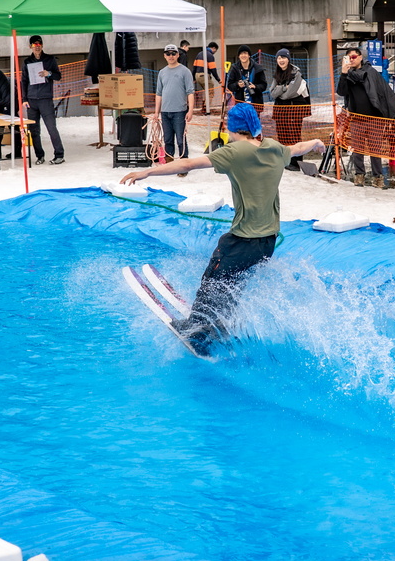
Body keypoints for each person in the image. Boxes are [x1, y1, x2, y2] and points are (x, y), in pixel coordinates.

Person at [120, 103, 326, 355]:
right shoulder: (274, 148)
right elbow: (297, 149)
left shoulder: (234, 152)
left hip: (243, 238)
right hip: (267, 242)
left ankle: (196, 329)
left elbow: (188, 164)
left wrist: (149, 171)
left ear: (232, 127)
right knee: (233, 283)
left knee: (214, 278)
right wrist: (316, 141)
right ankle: (221, 323)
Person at [336, 46, 395, 188]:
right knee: (357, 150)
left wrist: (384, 112)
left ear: (360, 57)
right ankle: (359, 176)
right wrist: (344, 73)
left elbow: (381, 92)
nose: (351, 60)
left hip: (374, 119)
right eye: (348, 58)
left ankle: (378, 178)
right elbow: (341, 91)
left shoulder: (370, 72)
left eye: (353, 57)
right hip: (357, 119)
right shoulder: (348, 75)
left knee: (375, 150)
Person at [23, 35, 64, 164]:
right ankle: (39, 155)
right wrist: (25, 99)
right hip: (32, 99)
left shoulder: (50, 59)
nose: (37, 47)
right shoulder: (27, 62)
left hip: (45, 99)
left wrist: (49, 74)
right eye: (35, 45)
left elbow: (58, 76)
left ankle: (59, 155)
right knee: (34, 130)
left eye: (39, 45)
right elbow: (24, 80)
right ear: (30, 47)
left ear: (42, 46)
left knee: (51, 127)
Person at [154, 43, 196, 162]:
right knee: (167, 139)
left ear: (178, 55)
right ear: (164, 56)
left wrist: (191, 110)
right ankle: (169, 163)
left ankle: (184, 164)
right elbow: (159, 93)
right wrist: (156, 112)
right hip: (165, 112)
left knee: (180, 140)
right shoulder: (162, 72)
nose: (171, 56)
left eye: (173, 53)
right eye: (168, 54)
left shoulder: (185, 71)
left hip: (180, 111)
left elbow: (190, 92)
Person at [267, 48, 311, 153]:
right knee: (282, 135)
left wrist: (280, 91)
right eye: (278, 58)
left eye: (283, 57)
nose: (281, 60)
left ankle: (296, 161)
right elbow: (272, 93)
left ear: (288, 59)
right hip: (280, 110)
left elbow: (288, 94)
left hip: (294, 110)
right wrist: (283, 88)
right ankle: (286, 158)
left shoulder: (296, 73)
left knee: (294, 135)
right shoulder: (277, 73)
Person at [192, 41, 220, 112]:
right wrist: (218, 79)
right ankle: (206, 109)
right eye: (215, 50)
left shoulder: (199, 54)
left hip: (197, 75)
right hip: (204, 75)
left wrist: (193, 78)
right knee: (210, 92)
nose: (214, 52)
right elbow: (213, 69)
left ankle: (204, 107)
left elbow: (194, 67)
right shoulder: (210, 55)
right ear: (213, 48)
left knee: (206, 91)